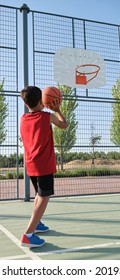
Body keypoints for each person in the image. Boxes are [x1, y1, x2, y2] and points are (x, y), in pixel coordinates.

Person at [20, 86, 68, 248]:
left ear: (26, 104)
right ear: (42, 101)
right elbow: (64, 124)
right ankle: (28, 234)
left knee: (39, 195)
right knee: (44, 196)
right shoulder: (47, 117)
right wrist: (57, 109)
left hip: (30, 163)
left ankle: (37, 223)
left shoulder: (23, 118)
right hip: (44, 164)